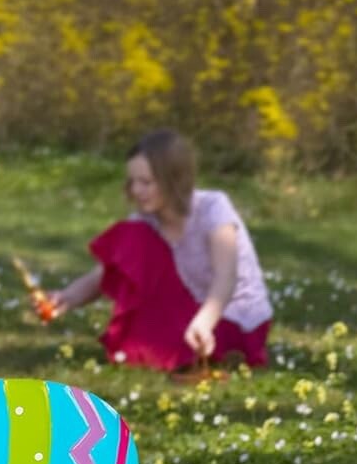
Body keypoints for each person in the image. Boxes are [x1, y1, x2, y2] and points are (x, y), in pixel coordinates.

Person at [49, 129, 273, 372]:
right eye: (132, 182)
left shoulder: (213, 208)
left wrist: (205, 321)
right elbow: (108, 272)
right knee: (132, 236)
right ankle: (155, 343)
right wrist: (67, 298)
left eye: (146, 182)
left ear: (174, 180)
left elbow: (226, 278)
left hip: (233, 315)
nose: (136, 190)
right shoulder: (147, 220)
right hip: (190, 310)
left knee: (163, 346)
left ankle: (211, 350)